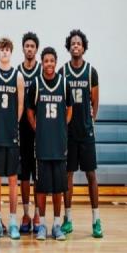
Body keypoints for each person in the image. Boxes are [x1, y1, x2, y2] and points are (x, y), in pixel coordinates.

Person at [27, 47, 72, 241]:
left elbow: (70, 109)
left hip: (59, 144)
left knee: (58, 188)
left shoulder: (64, 83)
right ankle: (43, 225)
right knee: (42, 187)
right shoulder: (36, 84)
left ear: (56, 62)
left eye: (52, 61)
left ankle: (56, 225)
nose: (49, 64)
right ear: (42, 62)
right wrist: (37, 127)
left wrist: (62, 125)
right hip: (43, 145)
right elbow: (29, 110)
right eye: (46, 61)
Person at [60, 29, 103, 238]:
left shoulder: (91, 72)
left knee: (91, 174)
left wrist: (90, 122)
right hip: (69, 132)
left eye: (79, 43)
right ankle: (68, 218)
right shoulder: (63, 71)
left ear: (84, 47)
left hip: (85, 132)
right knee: (67, 175)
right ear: (69, 47)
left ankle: (96, 219)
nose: (76, 46)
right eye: (73, 43)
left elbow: (95, 101)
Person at [0, 38, 24, 240]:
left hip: (12, 135)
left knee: (14, 180)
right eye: (2, 49)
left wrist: (12, 126)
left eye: (8, 49)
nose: (5, 52)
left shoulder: (18, 76)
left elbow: (20, 106)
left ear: (11, 52)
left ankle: (14, 221)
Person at [17, 32, 42, 234]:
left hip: (40, 130)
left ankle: (38, 214)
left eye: (32, 46)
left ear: (36, 49)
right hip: (21, 129)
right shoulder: (17, 72)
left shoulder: (43, 71)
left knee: (38, 174)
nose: (29, 49)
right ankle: (25, 214)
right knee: (24, 174)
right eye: (27, 46)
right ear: (23, 48)